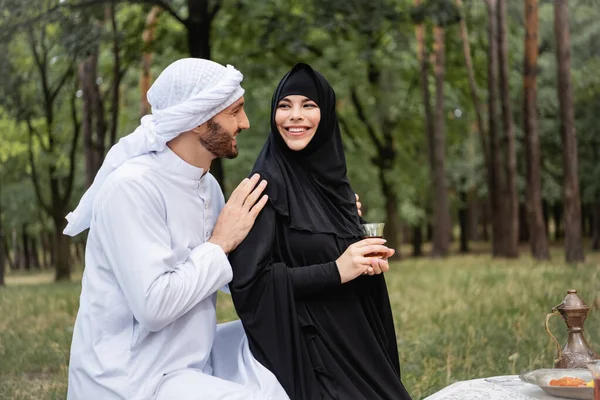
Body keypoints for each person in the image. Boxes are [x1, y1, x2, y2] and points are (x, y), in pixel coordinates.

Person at [63, 58, 290, 400]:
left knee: (293, 342)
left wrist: (330, 227)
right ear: (199, 122)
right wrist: (219, 243)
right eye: (235, 112)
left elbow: (235, 279)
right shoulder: (131, 188)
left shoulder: (207, 186)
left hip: (190, 360)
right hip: (132, 377)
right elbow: (155, 307)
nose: (245, 123)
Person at [228, 63, 413, 400]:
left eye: (308, 105)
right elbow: (251, 284)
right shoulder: (265, 187)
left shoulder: (336, 187)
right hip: (309, 348)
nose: (294, 116)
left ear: (325, 114)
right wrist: (337, 270)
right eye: (285, 106)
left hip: (357, 342)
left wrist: (364, 263)